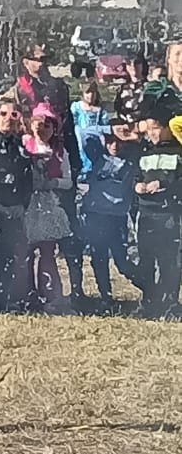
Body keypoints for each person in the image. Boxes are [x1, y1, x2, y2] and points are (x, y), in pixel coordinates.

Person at [0, 98, 34, 312]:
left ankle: (3, 300)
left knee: (10, 255)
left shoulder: (19, 145)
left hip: (15, 209)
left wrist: (22, 205)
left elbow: (26, 179)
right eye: (3, 114)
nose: (8, 119)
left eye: (14, 115)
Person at [82, 129, 141, 312]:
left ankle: (149, 288)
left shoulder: (131, 162)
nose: (115, 145)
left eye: (119, 141)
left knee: (122, 261)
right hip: (96, 215)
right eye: (110, 141)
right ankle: (106, 297)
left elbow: (143, 140)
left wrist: (131, 135)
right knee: (98, 258)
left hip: (117, 218)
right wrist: (112, 129)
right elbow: (84, 133)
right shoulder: (97, 158)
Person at [133, 108, 182, 319]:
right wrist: (137, 186)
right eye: (149, 129)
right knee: (146, 260)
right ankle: (149, 301)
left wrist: (163, 184)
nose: (152, 133)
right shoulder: (143, 152)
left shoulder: (178, 152)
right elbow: (135, 175)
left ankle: (170, 303)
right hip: (146, 213)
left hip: (168, 213)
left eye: (157, 128)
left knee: (168, 261)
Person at [24, 103, 73, 313]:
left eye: (47, 125)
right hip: (27, 203)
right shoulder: (25, 145)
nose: (42, 129)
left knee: (47, 252)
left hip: (48, 203)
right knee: (25, 252)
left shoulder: (60, 152)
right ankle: (26, 295)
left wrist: (53, 183)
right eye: (39, 124)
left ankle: (50, 295)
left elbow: (68, 180)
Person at [71, 82, 109, 173]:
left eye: (93, 92)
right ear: (83, 93)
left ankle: (93, 170)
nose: (90, 95)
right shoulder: (76, 106)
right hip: (79, 134)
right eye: (88, 92)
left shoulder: (100, 110)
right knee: (81, 145)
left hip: (95, 134)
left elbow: (103, 125)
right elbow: (73, 121)